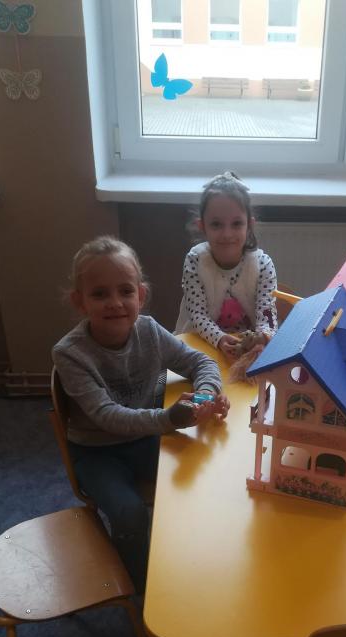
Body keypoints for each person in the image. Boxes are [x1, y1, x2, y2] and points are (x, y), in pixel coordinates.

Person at [53, 235, 229, 587]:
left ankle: (192, 560)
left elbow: (201, 362)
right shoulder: (69, 353)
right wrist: (168, 419)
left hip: (147, 437)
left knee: (203, 479)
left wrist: (204, 396)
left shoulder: (148, 330)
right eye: (100, 294)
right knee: (129, 514)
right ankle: (142, 584)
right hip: (97, 453)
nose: (115, 303)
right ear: (79, 302)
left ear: (141, 295)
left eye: (125, 291)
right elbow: (107, 415)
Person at [174, 171, 278, 359]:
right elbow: (198, 316)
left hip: (246, 351)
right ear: (202, 226)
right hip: (200, 344)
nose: (227, 234)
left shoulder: (263, 264)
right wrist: (220, 339)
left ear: (249, 226)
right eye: (216, 224)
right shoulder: (195, 260)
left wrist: (263, 336)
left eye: (236, 224)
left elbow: (268, 314)